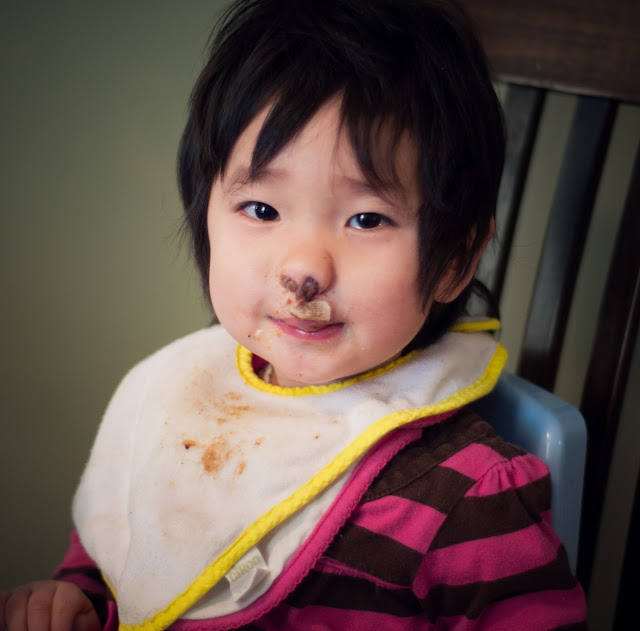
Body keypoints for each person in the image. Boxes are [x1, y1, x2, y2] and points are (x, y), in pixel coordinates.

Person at [1, 0, 587, 629]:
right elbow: (127, 565)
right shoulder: (179, 403)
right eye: (261, 209)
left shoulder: (470, 506)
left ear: (455, 259)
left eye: (366, 219)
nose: (302, 267)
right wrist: (75, 602)